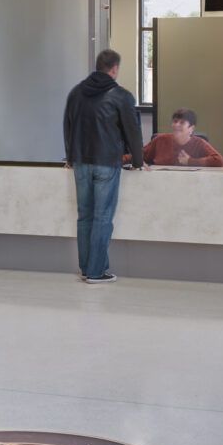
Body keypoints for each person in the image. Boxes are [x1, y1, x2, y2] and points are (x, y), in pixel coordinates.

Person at [62, 48, 143, 283]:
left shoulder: (76, 93)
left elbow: (67, 126)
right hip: (107, 163)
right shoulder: (122, 96)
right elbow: (132, 132)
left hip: (80, 163)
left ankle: (87, 268)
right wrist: (138, 161)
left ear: (98, 66)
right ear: (115, 69)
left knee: (84, 215)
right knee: (102, 217)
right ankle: (97, 272)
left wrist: (70, 157)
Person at [142, 108, 223, 168]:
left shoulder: (199, 143)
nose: (177, 125)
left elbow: (218, 161)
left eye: (182, 122)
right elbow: (138, 156)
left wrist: (190, 161)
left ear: (191, 128)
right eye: (175, 121)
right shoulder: (160, 140)